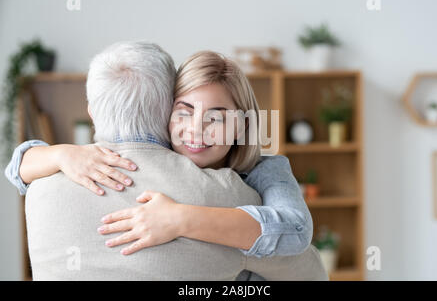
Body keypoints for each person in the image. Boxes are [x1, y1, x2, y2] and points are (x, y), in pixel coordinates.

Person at [5, 42, 326, 280]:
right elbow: (16, 169)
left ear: (242, 125)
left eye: (216, 117)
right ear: (164, 115)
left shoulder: (262, 171)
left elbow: (295, 230)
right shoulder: (164, 165)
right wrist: (60, 152)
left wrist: (179, 218)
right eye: (183, 111)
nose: (196, 130)